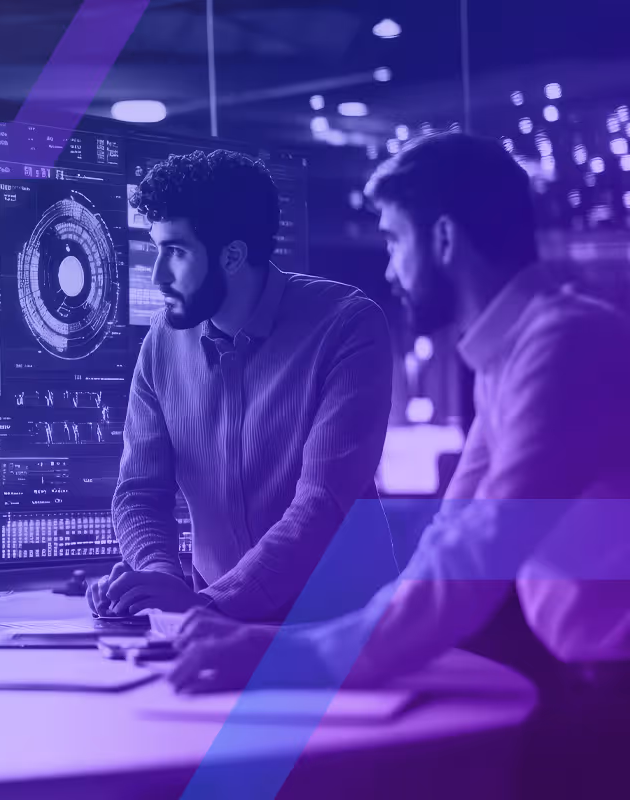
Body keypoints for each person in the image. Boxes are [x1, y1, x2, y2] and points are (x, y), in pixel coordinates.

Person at [169, 133, 630, 721]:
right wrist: (289, 644)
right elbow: (452, 536)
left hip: (615, 689)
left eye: (394, 239)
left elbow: (475, 559)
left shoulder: (565, 346)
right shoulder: (511, 356)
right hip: (590, 683)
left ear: (442, 238)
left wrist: (287, 656)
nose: (390, 268)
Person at [88, 148, 396, 622]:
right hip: (209, 621)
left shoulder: (347, 325)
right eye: (156, 249)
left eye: (176, 251)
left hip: (339, 626)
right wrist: (159, 580)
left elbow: (322, 503)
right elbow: (139, 493)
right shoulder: (162, 341)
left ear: (232, 255)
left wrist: (208, 604)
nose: (156, 274)